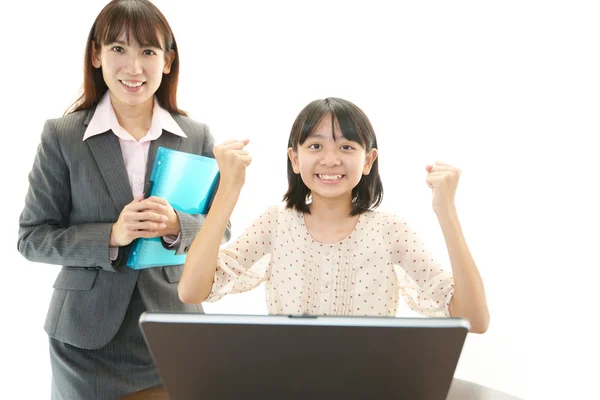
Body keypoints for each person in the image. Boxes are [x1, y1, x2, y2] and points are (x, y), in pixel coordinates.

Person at [17, 0, 230, 398]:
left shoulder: (195, 134)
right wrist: (111, 235)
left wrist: (176, 227)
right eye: (119, 49)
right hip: (85, 342)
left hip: (172, 330)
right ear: (96, 54)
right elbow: (32, 238)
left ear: (167, 61)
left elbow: (223, 228)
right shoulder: (62, 136)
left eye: (148, 51)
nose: (134, 68)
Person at [179, 97, 490, 334]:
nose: (330, 160)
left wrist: (446, 211)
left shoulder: (389, 230)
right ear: (295, 159)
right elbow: (192, 291)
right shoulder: (276, 222)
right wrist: (229, 188)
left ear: (368, 160)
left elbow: (474, 320)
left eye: (346, 147)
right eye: (315, 145)